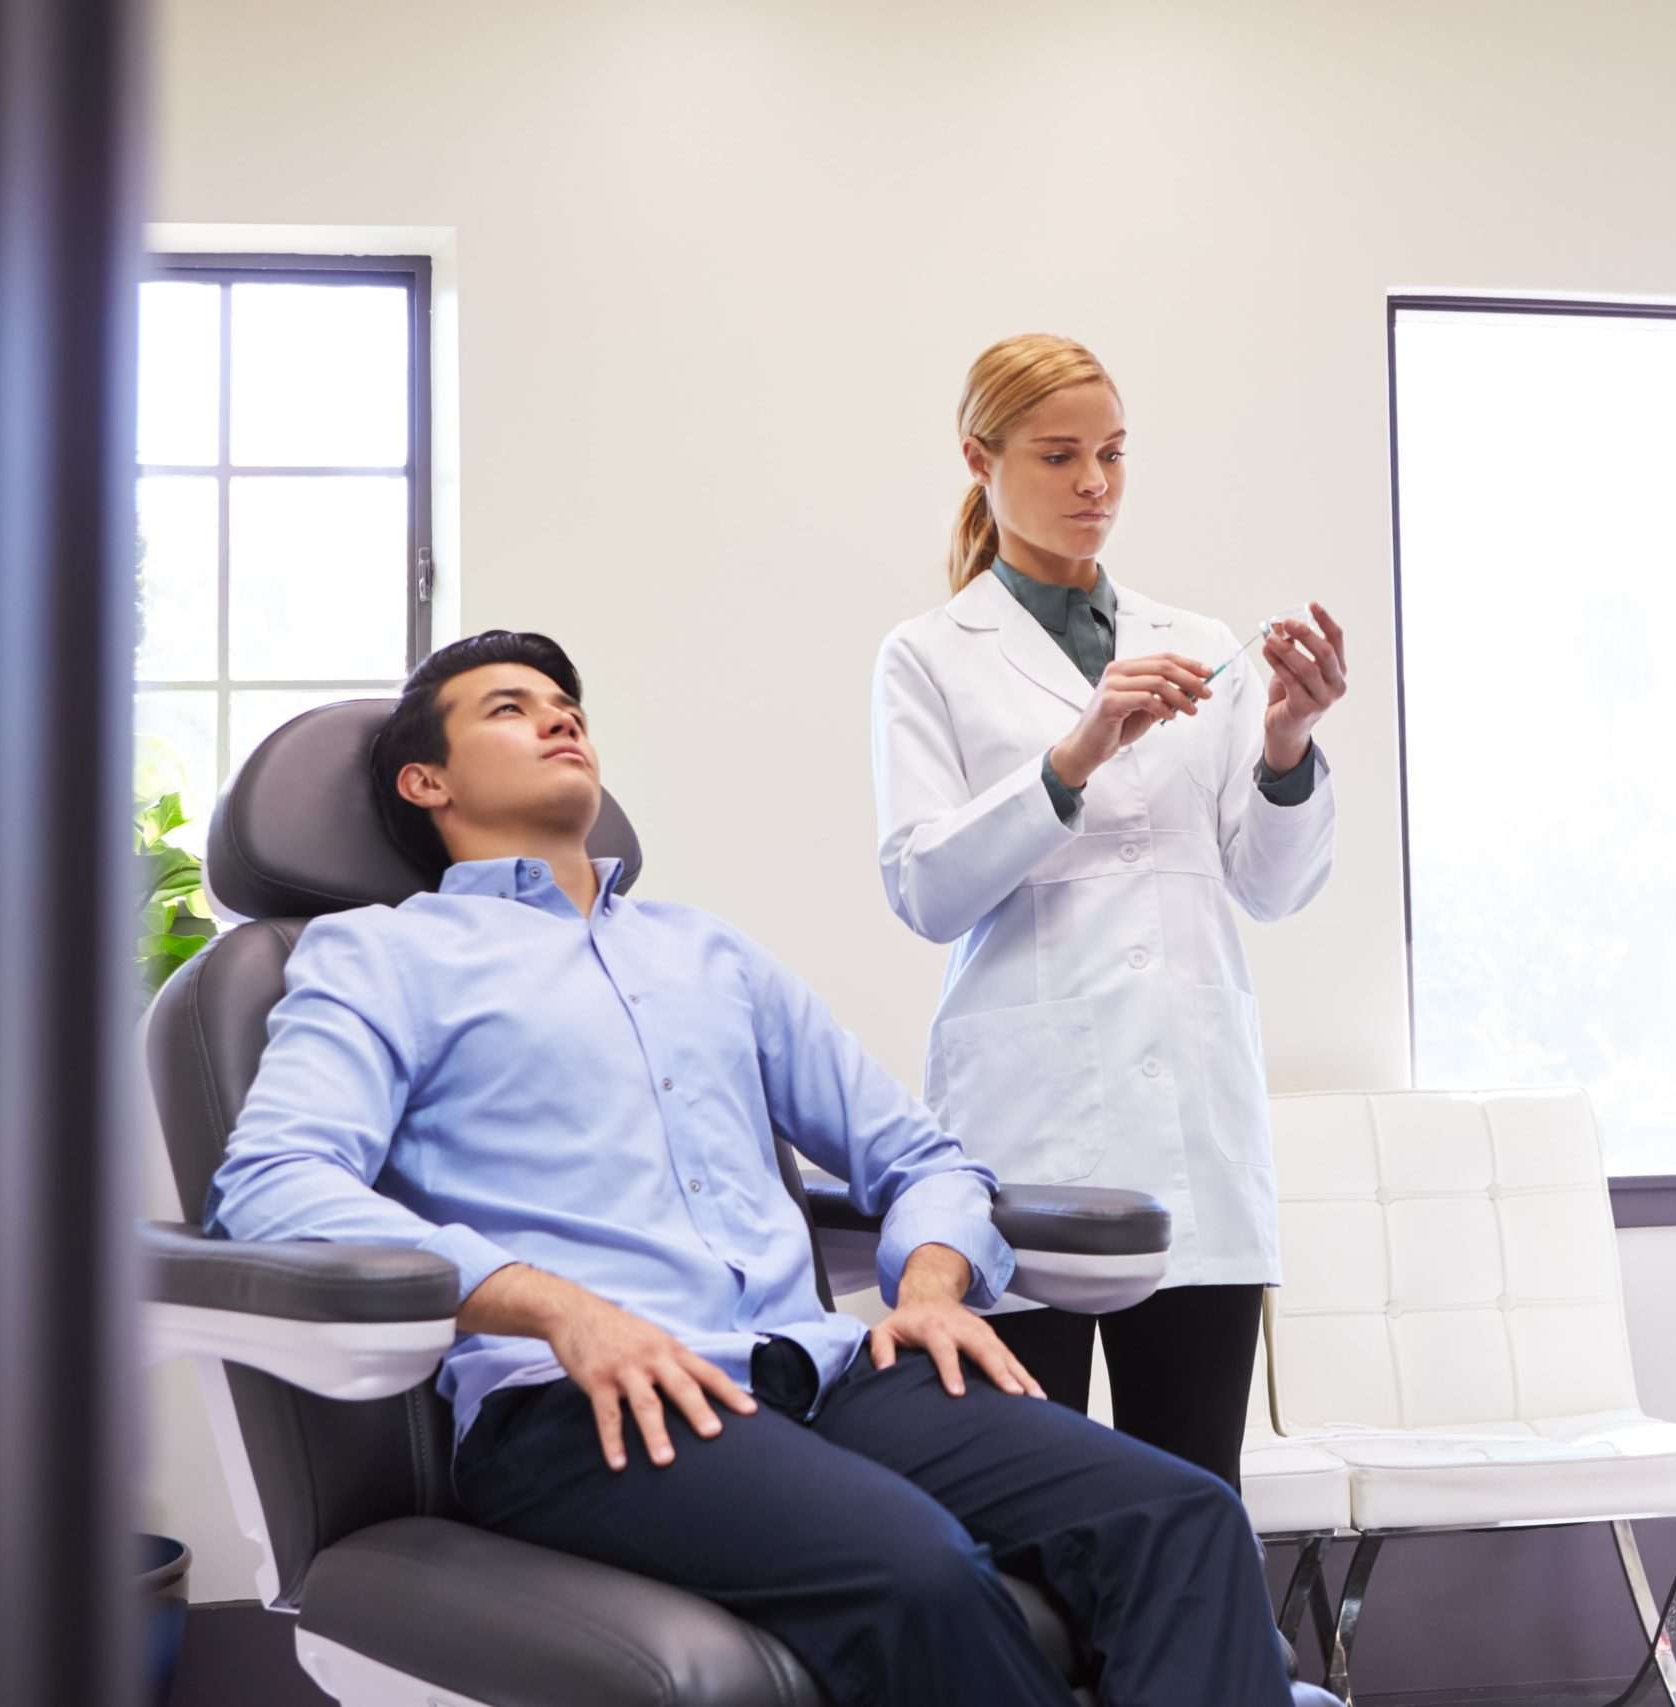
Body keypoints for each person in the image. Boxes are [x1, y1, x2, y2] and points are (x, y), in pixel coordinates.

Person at [203, 629, 1295, 1707]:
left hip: (822, 1376)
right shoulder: (382, 956)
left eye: (566, 702)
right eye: (509, 707)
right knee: (917, 1574)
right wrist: (556, 1309)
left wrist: (927, 1287)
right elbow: (273, 1181)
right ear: (425, 780)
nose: (558, 715)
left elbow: (920, 1158)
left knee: (1183, 1515)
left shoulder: (707, 954)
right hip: (590, 1405)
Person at [872, 334, 1347, 1490]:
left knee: (1191, 1492)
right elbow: (926, 890)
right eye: (1059, 455)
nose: (1094, 484)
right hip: (1027, 1127)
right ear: (979, 458)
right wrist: (1073, 756)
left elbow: (1272, 884)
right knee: (1023, 1501)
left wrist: (1285, 742)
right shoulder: (927, 657)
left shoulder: (1196, 645)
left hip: (1194, 1124)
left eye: (1114, 456)